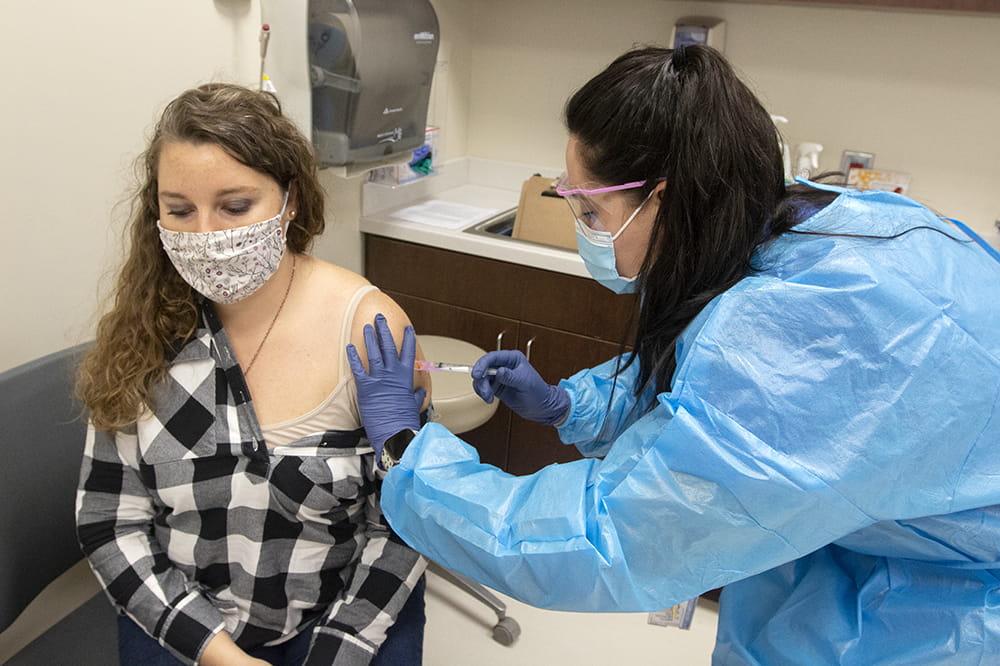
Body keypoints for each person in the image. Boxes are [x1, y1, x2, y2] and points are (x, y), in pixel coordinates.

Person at [347, 45, 1000, 665]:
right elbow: (711, 400)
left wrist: (407, 451)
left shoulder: (817, 323)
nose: (584, 235)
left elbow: (606, 540)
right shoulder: (805, 220)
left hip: (941, 609)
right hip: (895, 540)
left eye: (591, 213)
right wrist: (569, 403)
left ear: (664, 196)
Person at [75, 82, 431, 666]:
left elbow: (402, 527)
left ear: (289, 199)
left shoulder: (367, 328)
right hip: (189, 620)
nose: (206, 235)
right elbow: (110, 524)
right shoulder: (139, 337)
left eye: (235, 206)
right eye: (179, 210)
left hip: (337, 617)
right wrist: (220, 655)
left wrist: (335, 652)